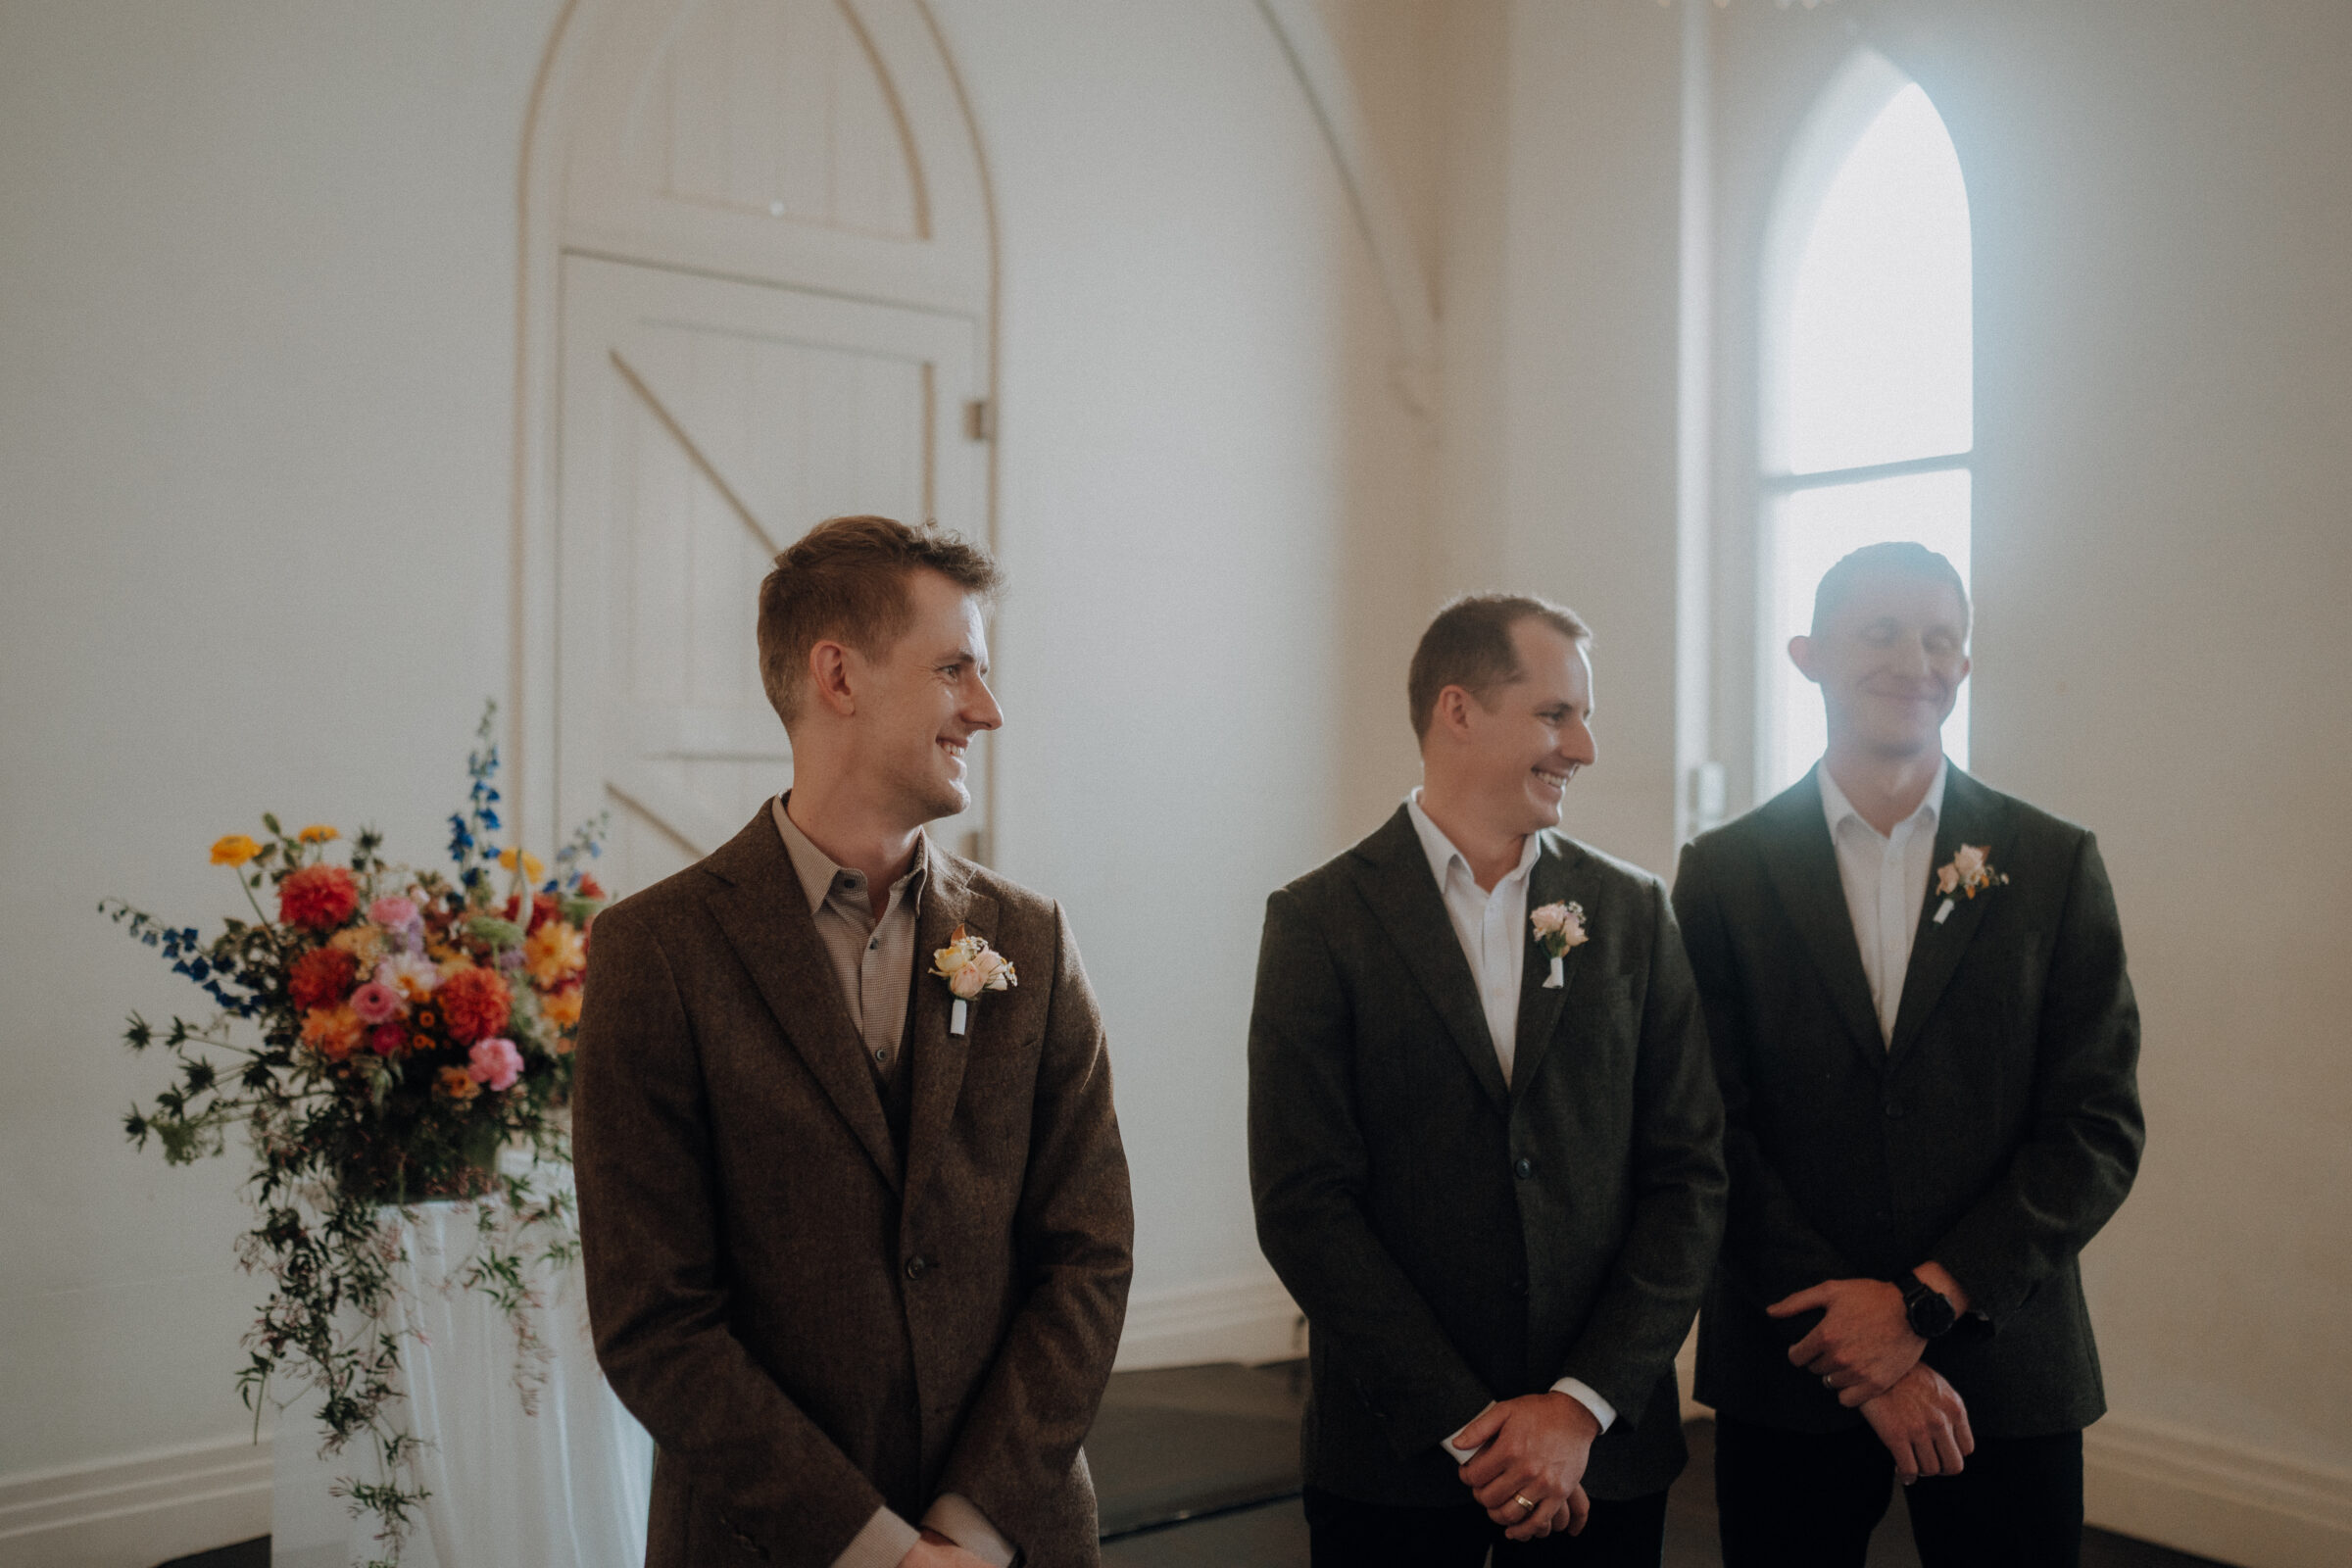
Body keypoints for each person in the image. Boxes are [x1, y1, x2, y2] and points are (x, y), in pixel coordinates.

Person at [574, 514, 1134, 1568]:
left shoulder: (1030, 940)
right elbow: (656, 1321)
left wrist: (968, 1529)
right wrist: (879, 1551)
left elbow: (1089, 1254)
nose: (989, 708)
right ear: (838, 674)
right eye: (955, 668)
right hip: (767, 1543)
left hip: (1015, 1539)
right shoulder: (657, 953)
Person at [1673, 542, 2143, 1567]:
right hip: (1790, 1362)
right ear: (1808, 656)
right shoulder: (1723, 874)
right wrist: (1860, 1345)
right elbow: (1706, 1126)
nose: (1914, 659)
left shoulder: (2053, 863)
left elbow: (2095, 1124)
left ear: (1964, 668)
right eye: (1879, 632)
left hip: (2005, 1367)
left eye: (1940, 639)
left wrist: (1931, 1300)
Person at [1248, 593, 1727, 1566]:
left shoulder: (1633, 912)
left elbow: (1689, 1175)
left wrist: (1578, 1405)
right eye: (1557, 715)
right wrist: (1468, 1423)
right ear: (1456, 710)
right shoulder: (1319, 920)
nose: (1583, 748)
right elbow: (1306, 1202)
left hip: (1603, 1455)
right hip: (1396, 1456)